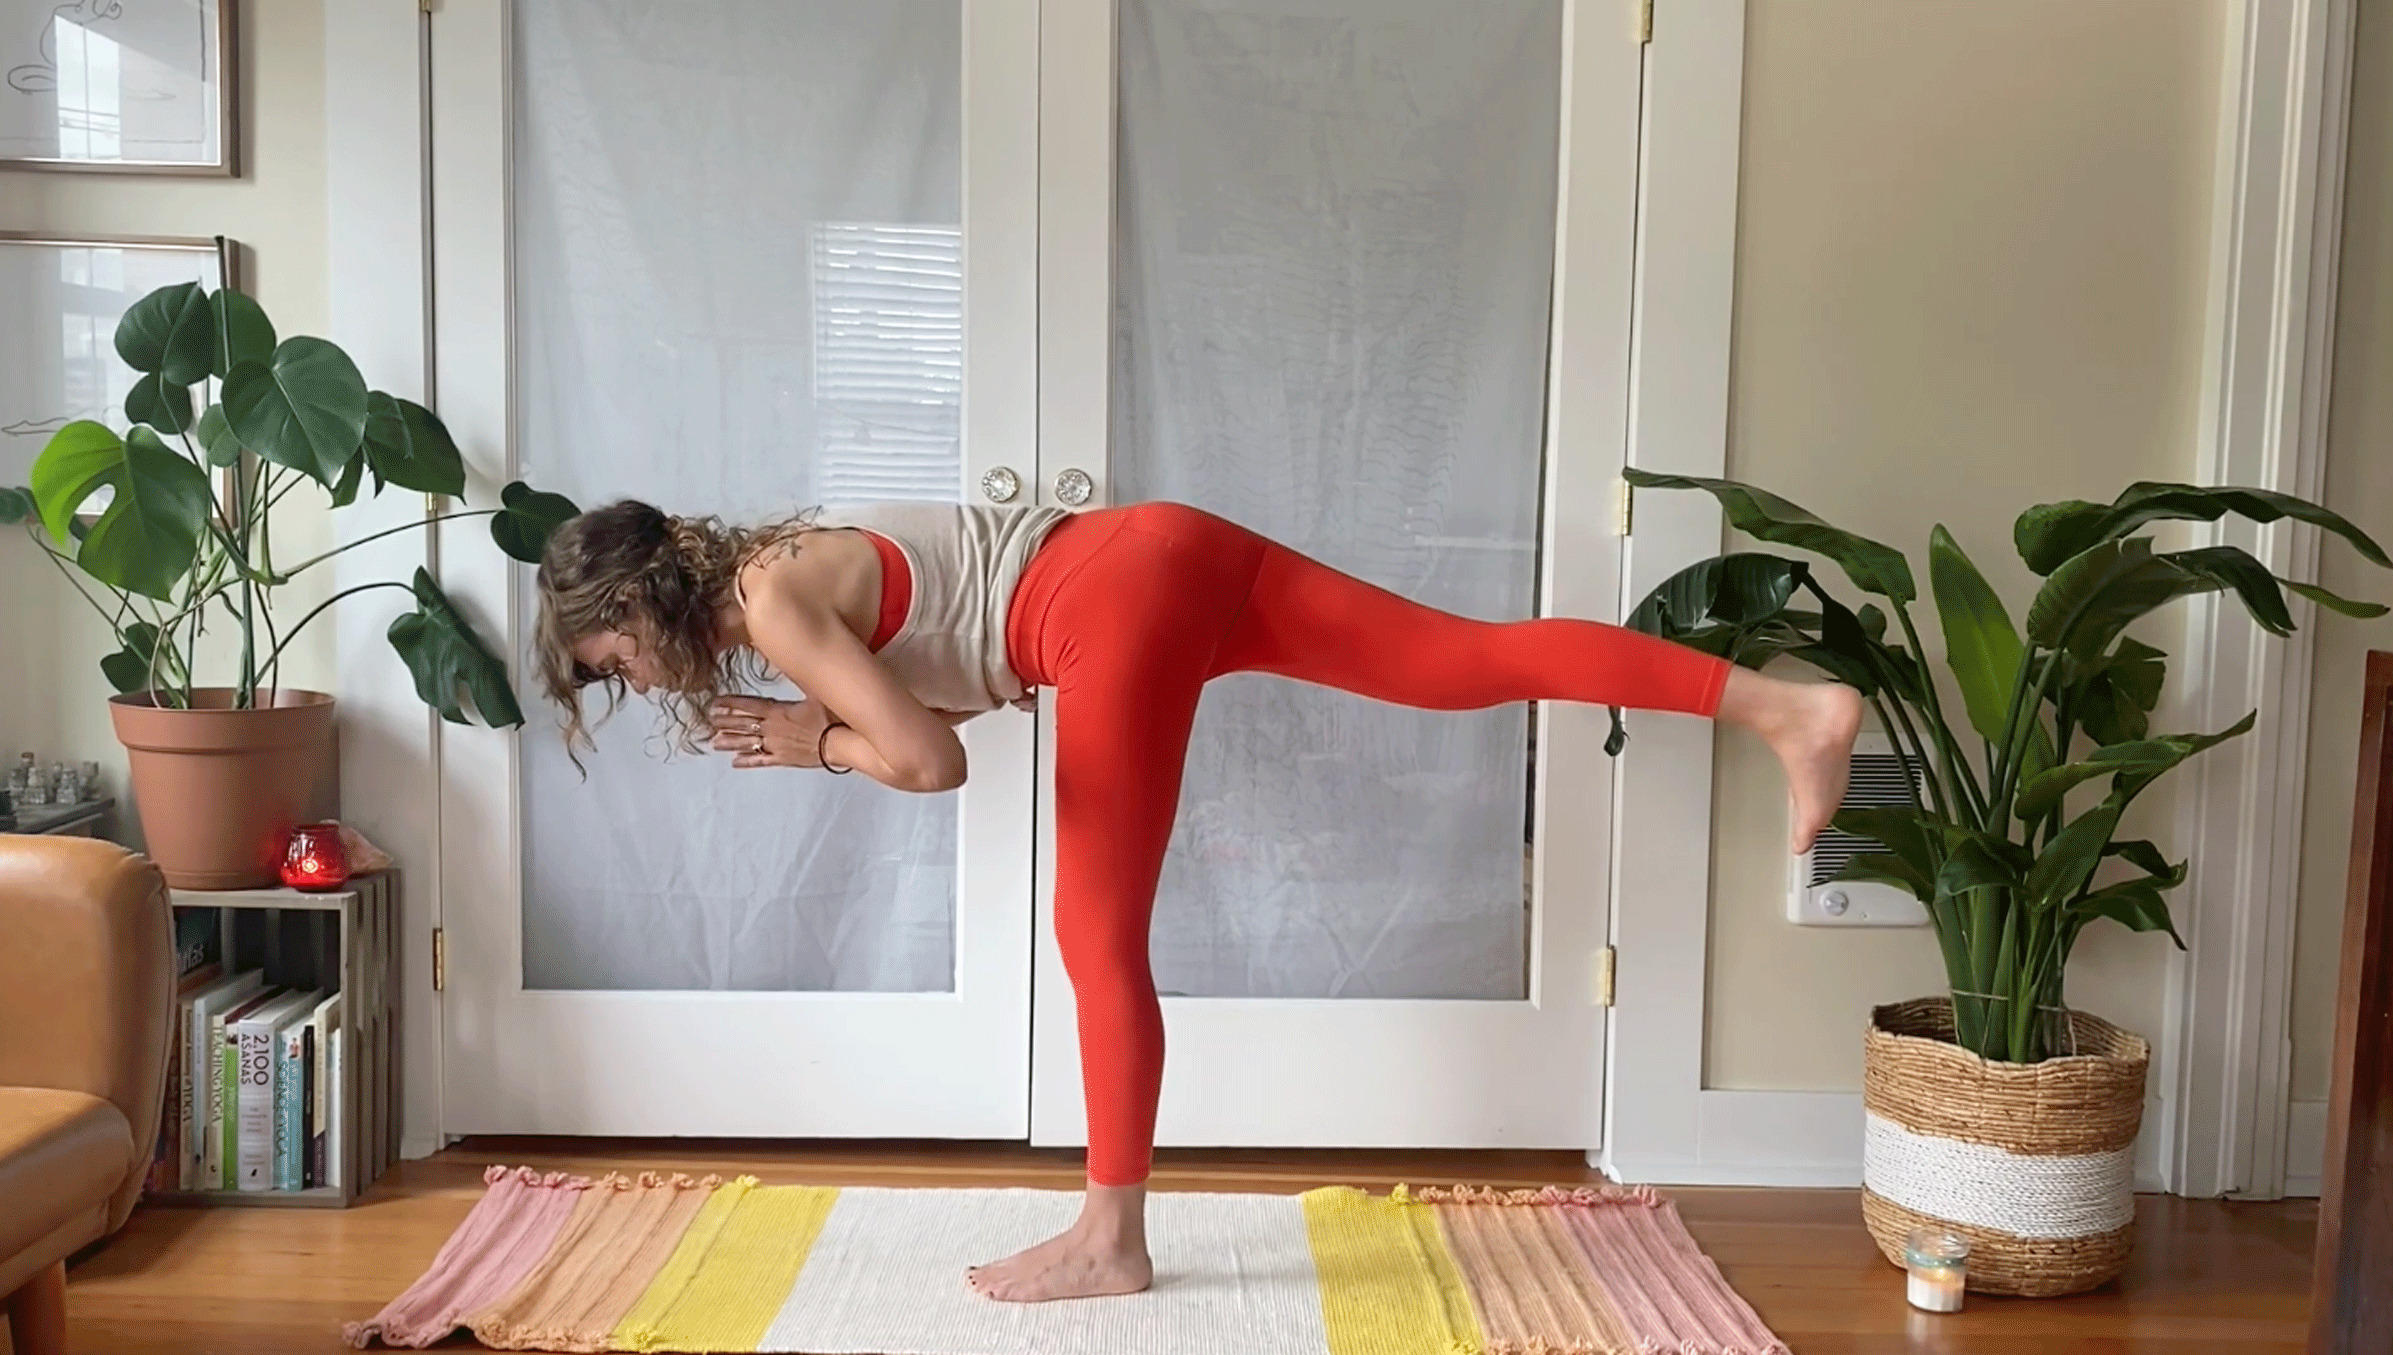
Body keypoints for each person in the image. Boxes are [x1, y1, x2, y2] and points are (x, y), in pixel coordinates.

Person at [534, 497, 1862, 1304]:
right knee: (1466, 657)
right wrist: (828, 723)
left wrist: (810, 741)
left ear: (640, 606)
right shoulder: (775, 557)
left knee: (1093, 932)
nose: (634, 686)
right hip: (1157, 549)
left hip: (1107, 604)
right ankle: (1787, 706)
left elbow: (933, 758)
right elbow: (957, 672)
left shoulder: (766, 604)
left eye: (614, 662)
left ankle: (1112, 1236)